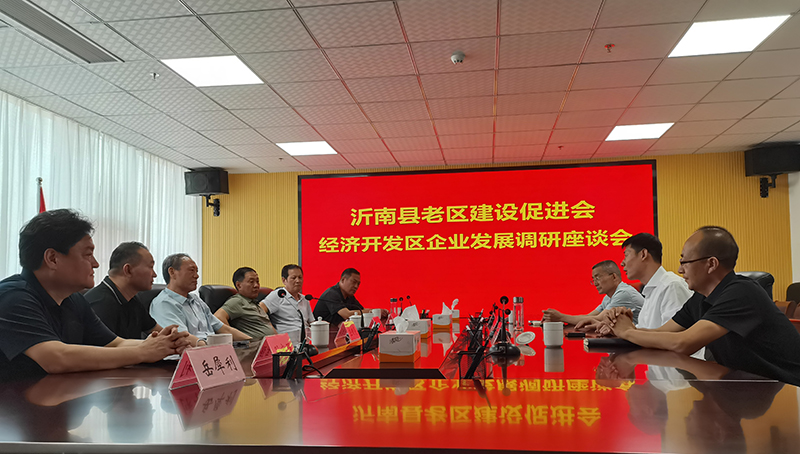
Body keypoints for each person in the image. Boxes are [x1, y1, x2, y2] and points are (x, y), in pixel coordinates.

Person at [0, 209, 189, 378]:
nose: (96, 264)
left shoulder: (73, 300)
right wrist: (143, 352)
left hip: (59, 400)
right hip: (15, 404)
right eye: (87, 254)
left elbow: (116, 344)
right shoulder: (12, 297)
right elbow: (55, 358)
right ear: (53, 259)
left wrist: (167, 344)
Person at [605, 226, 800, 386]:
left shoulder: (741, 292)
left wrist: (627, 332)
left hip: (788, 390)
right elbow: (662, 333)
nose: (680, 269)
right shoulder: (700, 298)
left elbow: (683, 343)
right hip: (747, 386)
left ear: (711, 264)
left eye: (685, 262)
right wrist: (622, 327)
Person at [579, 233, 692, 332]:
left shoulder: (671, 286)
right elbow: (647, 331)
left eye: (626, 255)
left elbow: (673, 337)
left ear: (643, 254)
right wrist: (615, 329)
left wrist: (627, 332)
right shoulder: (650, 290)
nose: (622, 263)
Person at [150, 253, 250, 347]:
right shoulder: (164, 304)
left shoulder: (196, 300)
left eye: (197, 271)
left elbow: (223, 328)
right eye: (191, 270)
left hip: (211, 350)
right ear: (172, 272)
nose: (196, 276)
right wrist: (214, 350)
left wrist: (252, 342)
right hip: (189, 354)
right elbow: (182, 338)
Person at [84, 242, 162, 339]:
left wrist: (174, 336)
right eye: (150, 267)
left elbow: (157, 330)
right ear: (128, 270)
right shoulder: (101, 304)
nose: (154, 274)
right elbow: (109, 347)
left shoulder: (132, 299)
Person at [543, 260, 643, 325]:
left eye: (598, 278)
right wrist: (559, 318)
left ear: (613, 276)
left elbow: (599, 319)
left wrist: (561, 317)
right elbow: (589, 317)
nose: (595, 283)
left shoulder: (623, 294)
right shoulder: (608, 297)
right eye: (593, 279)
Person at [213, 267, 276, 340]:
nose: (256, 285)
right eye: (251, 282)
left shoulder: (255, 303)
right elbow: (217, 318)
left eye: (257, 281)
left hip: (273, 344)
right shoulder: (237, 301)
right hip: (254, 345)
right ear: (239, 285)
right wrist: (237, 339)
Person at [313, 268, 386, 326]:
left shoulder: (349, 296)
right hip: (321, 332)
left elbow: (361, 310)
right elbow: (347, 314)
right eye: (354, 282)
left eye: (358, 284)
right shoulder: (331, 294)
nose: (356, 286)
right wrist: (373, 312)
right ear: (343, 280)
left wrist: (379, 311)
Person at [260, 265, 313, 341]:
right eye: (293, 278)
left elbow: (311, 322)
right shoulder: (278, 295)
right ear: (284, 280)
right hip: (286, 341)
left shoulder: (305, 299)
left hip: (305, 340)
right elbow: (259, 310)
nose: (298, 281)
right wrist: (272, 331)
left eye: (300, 277)